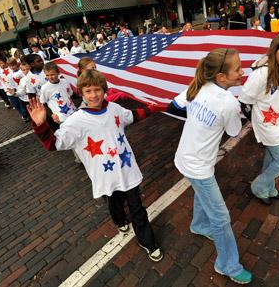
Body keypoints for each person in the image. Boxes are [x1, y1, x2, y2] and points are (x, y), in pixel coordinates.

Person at [28, 69, 164, 261]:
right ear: (81, 93)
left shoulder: (114, 108)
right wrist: (41, 125)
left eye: (98, 90)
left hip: (127, 169)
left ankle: (147, 240)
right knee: (115, 202)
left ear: (104, 90)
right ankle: (119, 220)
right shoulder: (76, 121)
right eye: (89, 91)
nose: (94, 95)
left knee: (137, 208)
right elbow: (53, 144)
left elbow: (132, 115)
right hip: (106, 175)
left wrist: (153, 108)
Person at [170, 48, 253, 285]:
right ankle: (227, 264)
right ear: (221, 77)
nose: (242, 71)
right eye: (237, 69)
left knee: (202, 193)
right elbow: (235, 131)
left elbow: (173, 105)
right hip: (198, 166)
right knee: (221, 218)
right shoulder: (228, 102)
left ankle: (198, 224)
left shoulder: (197, 86)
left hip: (186, 158)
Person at [238, 34, 279, 206]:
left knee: (271, 159)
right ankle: (258, 186)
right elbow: (244, 100)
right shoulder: (262, 73)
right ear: (274, 50)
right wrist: (257, 123)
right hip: (268, 126)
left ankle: (268, 189)